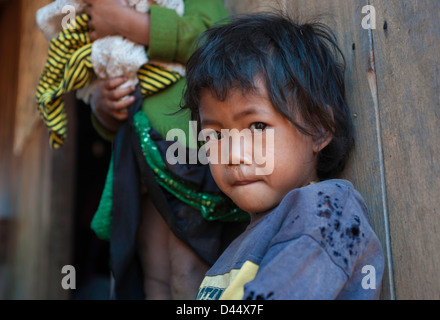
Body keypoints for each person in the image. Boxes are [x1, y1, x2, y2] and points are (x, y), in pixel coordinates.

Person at [182, 12, 385, 300]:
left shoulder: (326, 212)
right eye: (215, 135)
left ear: (318, 129)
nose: (234, 155)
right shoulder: (246, 242)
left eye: (258, 126)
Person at [85, 0, 247, 300]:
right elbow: (112, 109)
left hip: (190, 163)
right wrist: (102, 106)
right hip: (144, 172)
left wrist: (129, 23)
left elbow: (217, 39)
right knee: (153, 272)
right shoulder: (107, 10)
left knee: (188, 271)